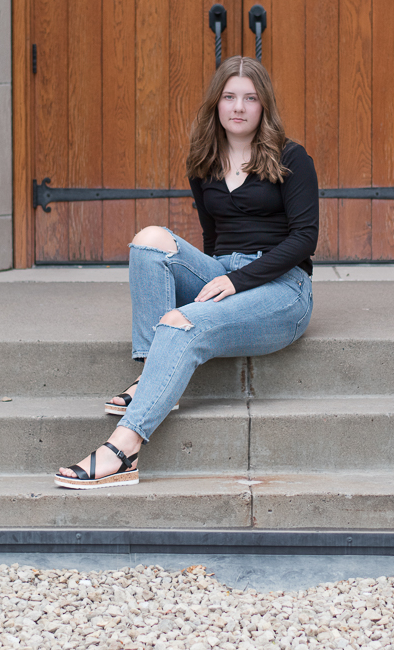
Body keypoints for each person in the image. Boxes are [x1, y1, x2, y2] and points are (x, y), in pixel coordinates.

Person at [55, 56, 319, 489]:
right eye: (229, 97)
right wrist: (219, 280)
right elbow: (212, 239)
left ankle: (123, 450)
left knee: (180, 324)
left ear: (264, 105)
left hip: (282, 288)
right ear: (216, 104)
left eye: (250, 98)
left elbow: (304, 239)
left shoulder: (292, 157)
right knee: (149, 239)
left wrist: (235, 283)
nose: (239, 107)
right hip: (223, 271)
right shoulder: (205, 161)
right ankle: (149, 373)